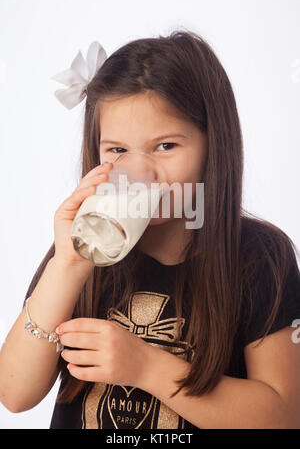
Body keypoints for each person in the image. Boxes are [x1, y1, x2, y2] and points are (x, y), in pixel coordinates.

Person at [0, 30, 300, 430]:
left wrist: (145, 366)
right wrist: (68, 265)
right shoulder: (82, 249)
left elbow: (283, 416)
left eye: (165, 146)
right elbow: (15, 393)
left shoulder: (260, 256)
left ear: (214, 145)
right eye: (118, 150)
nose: (141, 172)